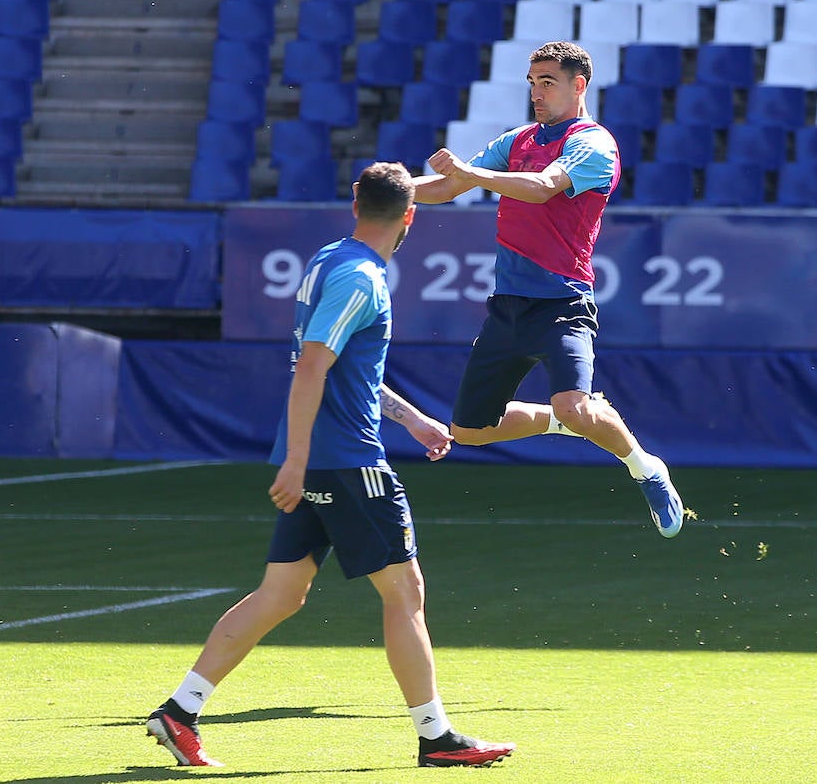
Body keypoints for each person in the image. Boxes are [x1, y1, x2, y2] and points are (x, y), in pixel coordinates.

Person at [147, 162, 515, 770]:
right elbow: (313, 366)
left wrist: (413, 420)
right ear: (409, 217)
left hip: (325, 459)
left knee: (281, 593)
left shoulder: (328, 261)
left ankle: (180, 710)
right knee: (405, 594)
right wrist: (296, 459)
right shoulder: (362, 278)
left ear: (354, 207)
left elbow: (347, 371)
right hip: (346, 463)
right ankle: (436, 737)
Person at [412, 40, 685, 539]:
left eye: (548, 83)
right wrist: (391, 188)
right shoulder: (519, 139)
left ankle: (646, 468)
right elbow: (445, 188)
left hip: (562, 304)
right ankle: (562, 422)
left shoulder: (594, 143)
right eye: (533, 83)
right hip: (507, 307)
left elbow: (541, 187)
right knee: (469, 432)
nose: (537, 94)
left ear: (578, 86)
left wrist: (472, 174)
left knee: (576, 405)